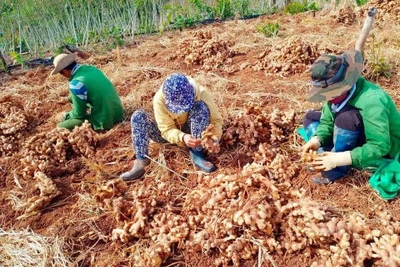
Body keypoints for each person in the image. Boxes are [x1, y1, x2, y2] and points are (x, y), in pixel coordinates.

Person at [301, 50, 400, 184]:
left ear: (344, 86)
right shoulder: (335, 97)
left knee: (346, 118)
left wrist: (339, 159)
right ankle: (323, 155)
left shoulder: (373, 101)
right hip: (356, 129)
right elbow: (327, 122)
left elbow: (380, 146)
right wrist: (316, 140)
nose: (329, 98)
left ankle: (337, 169)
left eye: (332, 94)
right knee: (310, 117)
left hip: (382, 146)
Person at [120, 73, 223, 181]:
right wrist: (182, 137)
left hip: (193, 131)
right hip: (170, 135)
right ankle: (141, 161)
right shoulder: (160, 99)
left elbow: (216, 120)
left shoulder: (202, 93)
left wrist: (214, 137)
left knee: (200, 107)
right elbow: (166, 129)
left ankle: (197, 152)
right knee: (138, 117)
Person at [50, 53, 124, 131]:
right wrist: (68, 99)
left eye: (61, 73)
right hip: (118, 113)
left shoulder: (75, 84)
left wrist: (65, 116)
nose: (63, 76)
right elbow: (92, 89)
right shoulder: (92, 68)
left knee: (60, 126)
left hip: (104, 120)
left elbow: (79, 114)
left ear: (65, 71)